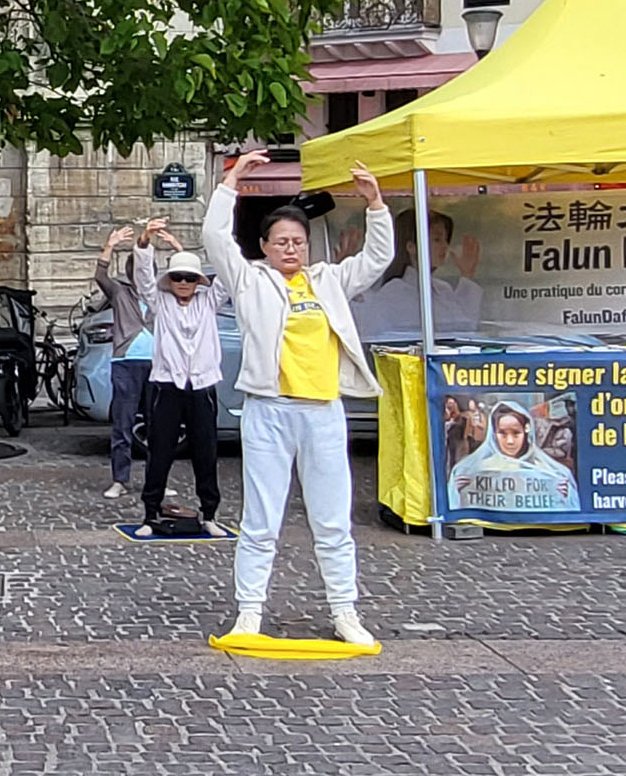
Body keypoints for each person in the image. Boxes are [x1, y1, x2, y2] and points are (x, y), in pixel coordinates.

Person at [203, 150, 393, 646]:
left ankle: (345, 612)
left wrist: (375, 204)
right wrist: (233, 183)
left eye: (298, 242)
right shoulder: (250, 281)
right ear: (264, 246)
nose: (291, 249)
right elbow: (214, 239)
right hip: (269, 410)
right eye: (281, 242)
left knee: (332, 519)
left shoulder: (328, 280)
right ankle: (249, 612)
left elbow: (377, 260)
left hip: (323, 410)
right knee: (260, 519)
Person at [133, 218, 226, 537]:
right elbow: (144, 278)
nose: (184, 283)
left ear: (199, 281)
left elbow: (228, 275)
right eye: (178, 277)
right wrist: (145, 241)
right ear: (170, 281)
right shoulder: (161, 302)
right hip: (167, 385)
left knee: (206, 452)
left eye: (190, 278)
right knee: (160, 451)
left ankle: (210, 513)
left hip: (201, 387)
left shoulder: (210, 301)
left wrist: (198, 244)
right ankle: (149, 514)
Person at [349, 209, 483, 343]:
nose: (445, 246)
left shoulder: (443, 289)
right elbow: (368, 327)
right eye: (437, 239)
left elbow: (467, 328)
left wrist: (467, 274)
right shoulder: (394, 292)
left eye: (445, 240)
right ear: (411, 247)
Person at [95, 223, 159, 499]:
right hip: (126, 363)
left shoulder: (161, 295)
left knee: (159, 428)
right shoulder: (120, 293)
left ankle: (156, 480)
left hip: (158, 364)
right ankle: (120, 479)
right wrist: (110, 246)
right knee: (123, 424)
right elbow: (100, 275)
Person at [447, 401, 579, 513]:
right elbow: (454, 507)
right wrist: (457, 491)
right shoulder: (474, 469)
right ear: (494, 435)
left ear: (526, 432)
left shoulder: (550, 471)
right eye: (502, 434)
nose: (510, 441)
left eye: (516, 433)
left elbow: (569, 509)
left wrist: (565, 496)